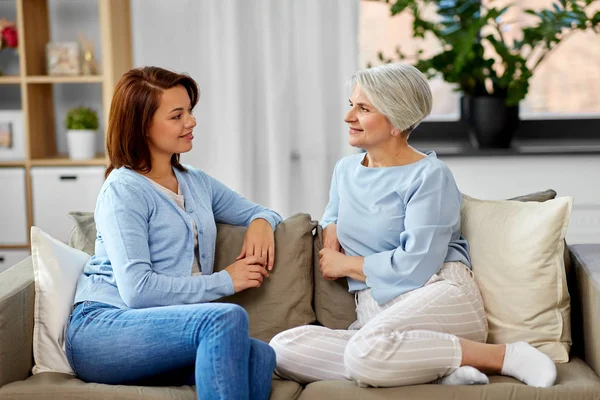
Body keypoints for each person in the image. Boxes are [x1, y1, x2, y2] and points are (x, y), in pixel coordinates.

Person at [269, 63, 557, 388]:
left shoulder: (429, 176)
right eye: (351, 105)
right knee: (283, 348)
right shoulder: (345, 170)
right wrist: (332, 227)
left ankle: (504, 355)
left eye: (363, 108)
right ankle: (436, 367)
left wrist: (346, 264)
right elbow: (334, 213)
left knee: (365, 353)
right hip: (375, 310)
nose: (349, 117)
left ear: (396, 120)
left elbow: (417, 265)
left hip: (437, 295)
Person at [66, 66, 282, 400]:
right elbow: (137, 291)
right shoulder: (123, 189)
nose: (191, 122)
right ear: (143, 126)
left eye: (190, 112)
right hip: (103, 329)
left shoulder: (196, 181)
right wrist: (226, 280)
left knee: (261, 356)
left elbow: (260, 210)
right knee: (224, 319)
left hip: (162, 329)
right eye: (177, 115)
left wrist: (262, 223)